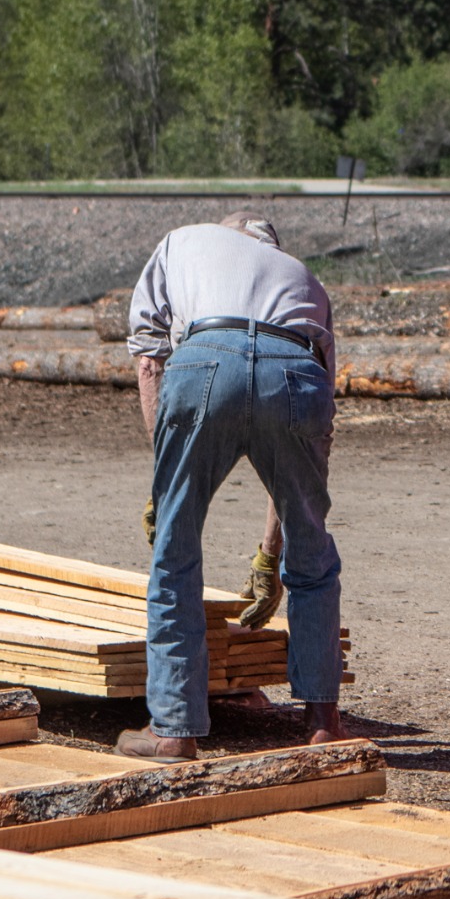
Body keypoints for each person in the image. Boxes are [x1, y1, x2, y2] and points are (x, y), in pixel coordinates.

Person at [117, 215, 345, 761]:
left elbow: (150, 359)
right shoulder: (303, 278)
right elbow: (317, 431)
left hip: (205, 361)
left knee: (175, 557)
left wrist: (164, 482)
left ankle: (174, 728)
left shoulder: (182, 240)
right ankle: (322, 726)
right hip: (294, 370)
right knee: (313, 554)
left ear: (228, 231)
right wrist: (274, 553)